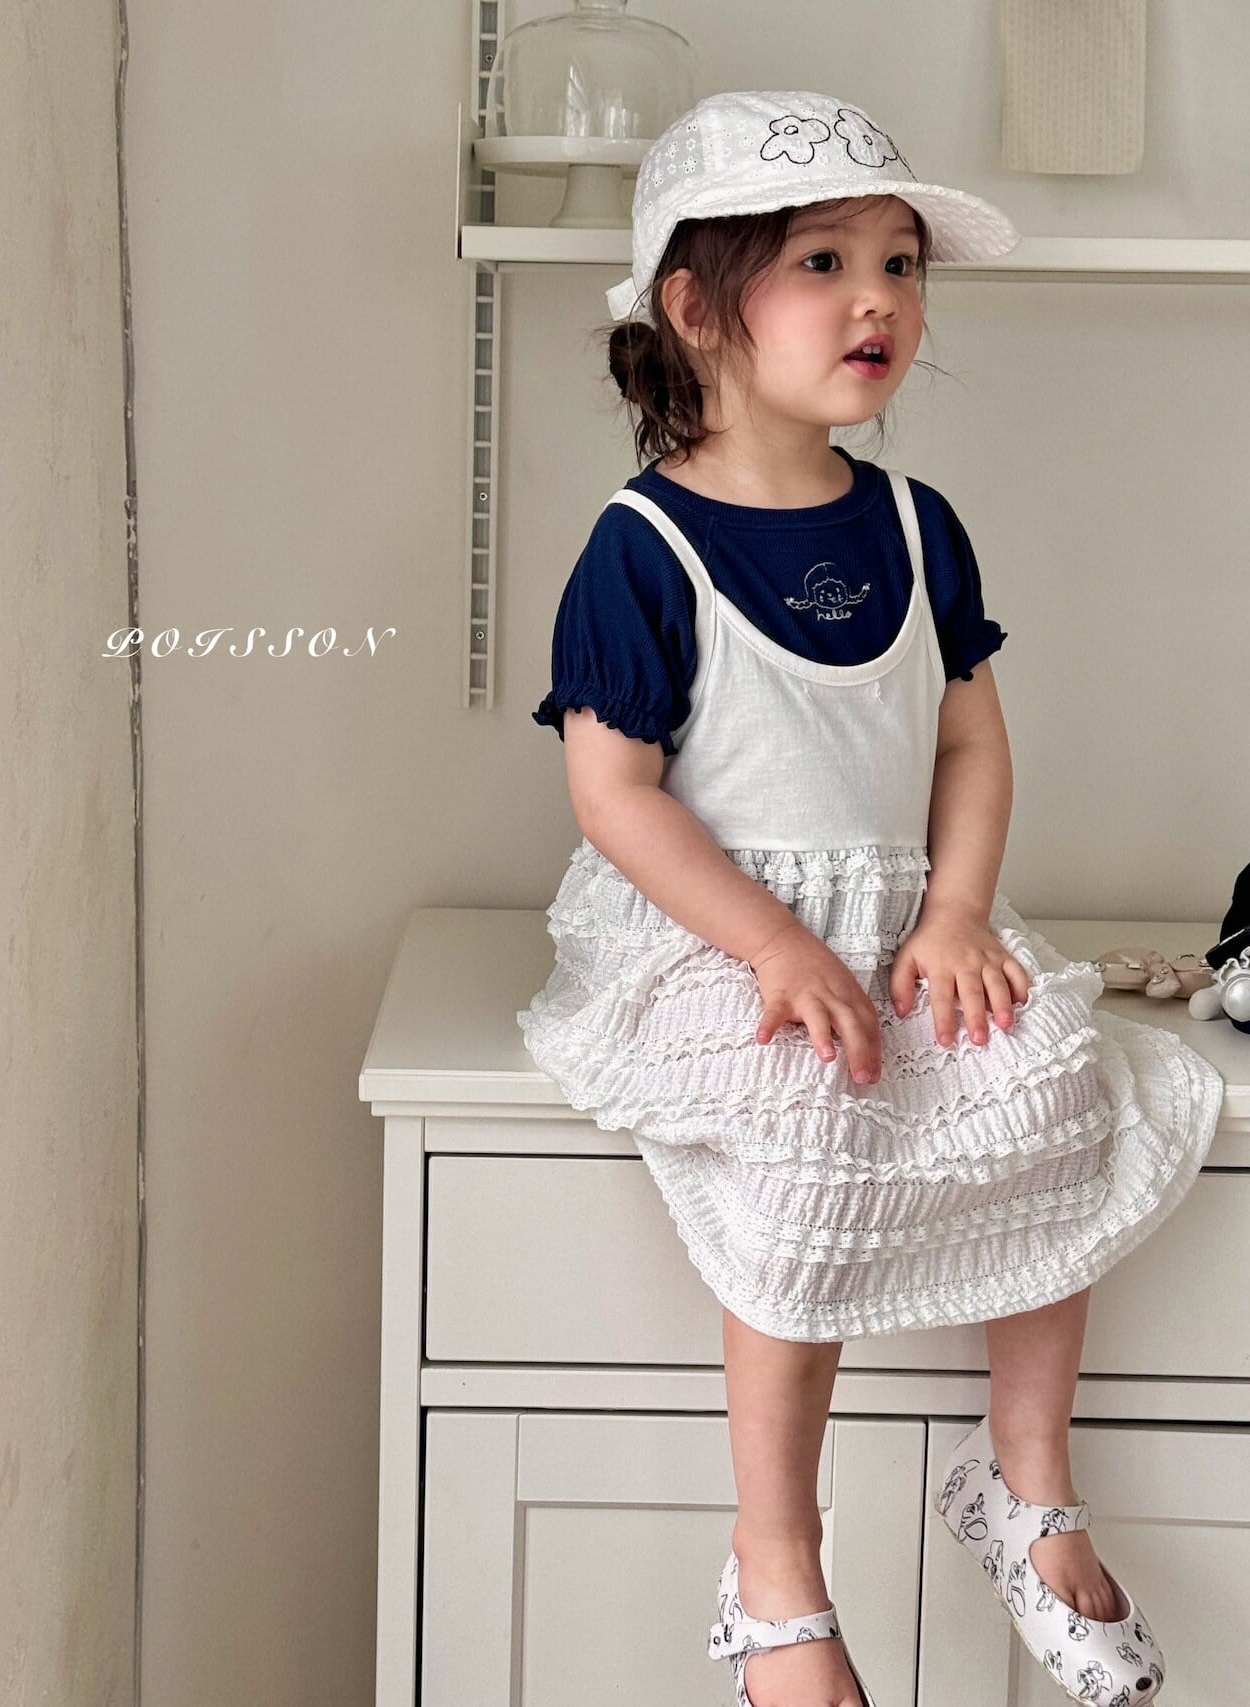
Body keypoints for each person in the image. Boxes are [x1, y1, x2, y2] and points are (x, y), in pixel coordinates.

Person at [516, 90, 1224, 1707]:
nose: (878, 299)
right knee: (807, 1123)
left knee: (1050, 1075)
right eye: (824, 261)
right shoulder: (643, 546)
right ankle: (775, 1565)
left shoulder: (917, 524)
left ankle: (1024, 1485)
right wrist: (774, 943)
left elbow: (970, 745)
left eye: (900, 264)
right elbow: (617, 797)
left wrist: (958, 913)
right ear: (697, 307)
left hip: (902, 910)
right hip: (713, 928)